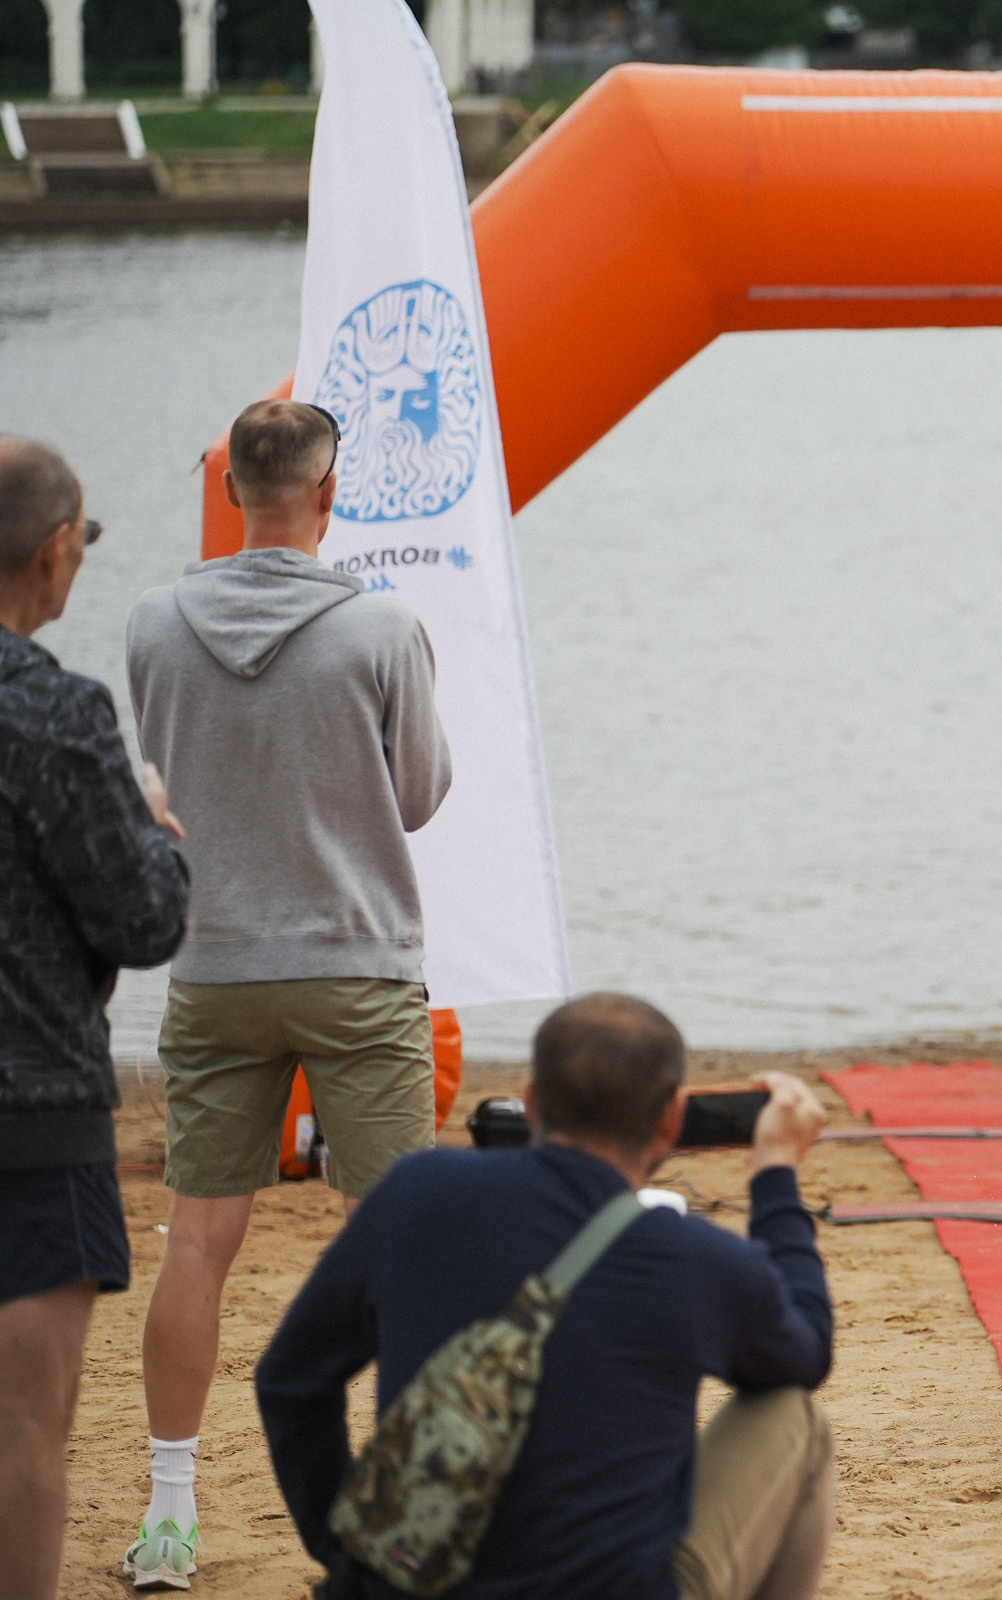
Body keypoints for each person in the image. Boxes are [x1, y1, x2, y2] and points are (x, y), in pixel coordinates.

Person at [120, 398, 453, 1587]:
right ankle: (401, 1510)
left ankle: (168, 1515)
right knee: (394, 1239)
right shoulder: (381, 624)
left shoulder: (153, 618)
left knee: (197, 1243)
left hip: (213, 963)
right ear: (328, 492)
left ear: (232, 493)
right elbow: (418, 797)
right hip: (359, 961)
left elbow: (157, 772)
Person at [256, 994, 836, 1600]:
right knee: (794, 1417)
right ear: (671, 1121)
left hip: (410, 1577)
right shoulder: (696, 1259)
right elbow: (806, 1352)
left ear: (530, 1101)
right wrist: (775, 1173)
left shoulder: (413, 1193)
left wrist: (351, 1555)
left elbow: (290, 1379)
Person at [0, 438, 190, 1600]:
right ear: (56, 548)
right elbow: (143, 922)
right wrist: (162, 834)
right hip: (32, 1109)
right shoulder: (58, 716)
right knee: (26, 1424)